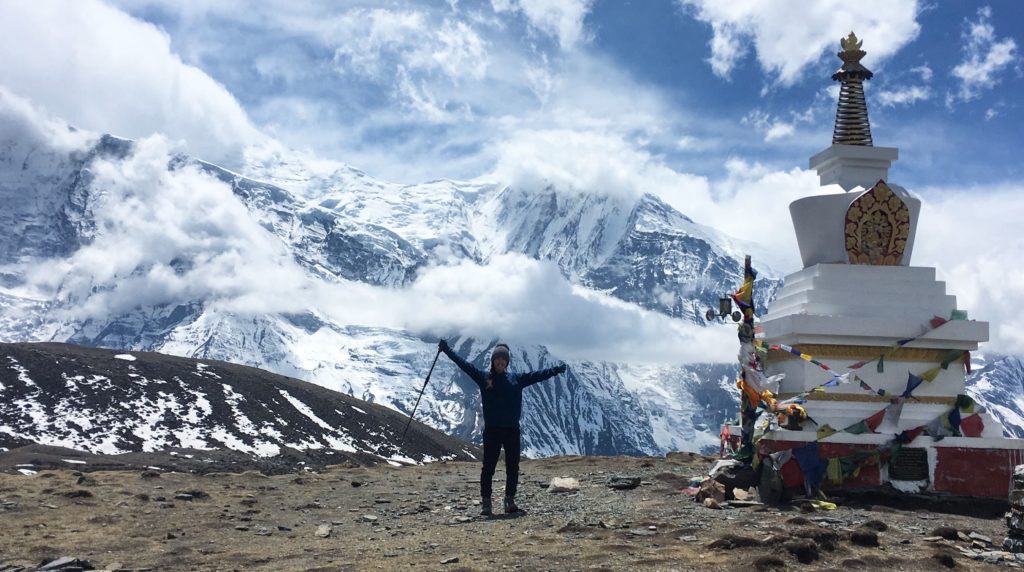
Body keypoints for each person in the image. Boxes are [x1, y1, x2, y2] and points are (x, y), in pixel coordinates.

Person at [438, 339, 567, 516]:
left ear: (507, 362)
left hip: (511, 430)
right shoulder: (484, 378)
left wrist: (556, 371)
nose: (500, 361)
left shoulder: (516, 379)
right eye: (497, 359)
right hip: (492, 431)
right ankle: (486, 503)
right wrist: (447, 350)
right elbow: (464, 365)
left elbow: (537, 375)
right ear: (493, 361)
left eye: (503, 359)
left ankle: (509, 501)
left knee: (512, 467)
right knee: (488, 468)